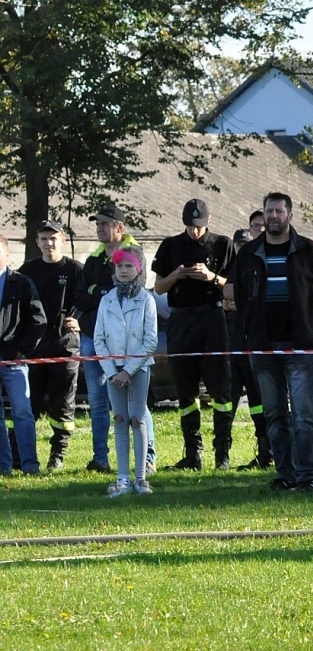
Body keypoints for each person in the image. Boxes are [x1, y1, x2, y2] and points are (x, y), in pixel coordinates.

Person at [230, 192, 313, 493]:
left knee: (303, 414)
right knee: (274, 415)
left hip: (300, 345)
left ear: (290, 215)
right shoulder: (248, 253)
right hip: (262, 347)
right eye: (268, 212)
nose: (273, 216)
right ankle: (284, 473)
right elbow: (240, 297)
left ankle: (307, 475)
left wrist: (311, 326)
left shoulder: (308, 251)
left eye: (278, 211)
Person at [152, 198, 237, 471]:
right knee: (185, 391)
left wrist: (211, 276)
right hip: (181, 320)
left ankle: (222, 454)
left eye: (199, 226)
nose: (194, 231)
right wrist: (176, 275)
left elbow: (233, 290)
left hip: (212, 318)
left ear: (208, 221)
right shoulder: (171, 246)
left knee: (220, 390)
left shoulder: (223, 245)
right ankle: (193, 454)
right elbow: (159, 288)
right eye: (190, 226)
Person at [73, 204, 142, 474]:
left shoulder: (133, 253)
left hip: (126, 341)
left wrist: (96, 292)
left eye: (104, 223)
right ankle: (100, 458)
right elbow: (80, 297)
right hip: (93, 338)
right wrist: (103, 291)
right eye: (97, 223)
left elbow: (131, 292)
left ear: (119, 227)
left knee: (134, 401)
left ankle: (146, 458)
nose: (99, 228)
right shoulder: (93, 259)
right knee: (98, 401)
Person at [18, 221, 82, 471]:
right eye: (44, 239)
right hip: (34, 346)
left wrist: (81, 321)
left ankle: (58, 455)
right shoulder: (27, 271)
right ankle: (20, 455)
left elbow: (90, 301)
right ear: (37, 243)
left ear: (63, 241)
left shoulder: (76, 270)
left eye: (53, 239)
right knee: (27, 404)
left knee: (63, 404)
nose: (48, 243)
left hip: (65, 345)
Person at [94, 247, 157, 496]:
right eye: (119, 266)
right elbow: (99, 339)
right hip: (113, 370)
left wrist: (129, 370)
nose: (123, 271)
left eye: (128, 266)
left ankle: (140, 478)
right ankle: (122, 478)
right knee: (119, 419)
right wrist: (112, 371)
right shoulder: (106, 299)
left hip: (138, 368)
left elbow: (150, 340)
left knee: (137, 419)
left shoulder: (146, 300)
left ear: (138, 269)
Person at [224, 227, 273, 470]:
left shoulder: (257, 264)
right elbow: (227, 292)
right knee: (227, 402)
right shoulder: (235, 266)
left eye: (246, 243)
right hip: (233, 343)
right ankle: (222, 454)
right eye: (238, 245)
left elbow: (244, 297)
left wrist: (239, 300)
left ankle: (266, 452)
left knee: (259, 400)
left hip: (254, 341)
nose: (242, 248)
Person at [0, 236, 46, 476]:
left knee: (22, 413)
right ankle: (3, 466)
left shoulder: (21, 283)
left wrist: (22, 351)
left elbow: (38, 321)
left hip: (14, 361)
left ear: (7, 255)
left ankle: (30, 464)